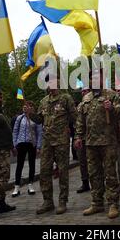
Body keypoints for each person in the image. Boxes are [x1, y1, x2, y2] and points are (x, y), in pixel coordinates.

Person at [75, 69, 120, 219]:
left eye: (98, 76)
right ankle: (97, 203)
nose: (95, 79)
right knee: (94, 174)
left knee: (110, 174)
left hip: (108, 141)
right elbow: (80, 120)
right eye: (92, 77)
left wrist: (112, 108)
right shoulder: (86, 98)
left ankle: (113, 204)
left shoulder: (112, 95)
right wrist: (78, 136)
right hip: (90, 142)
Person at [34, 76, 77, 215]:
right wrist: (30, 113)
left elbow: (74, 116)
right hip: (47, 142)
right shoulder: (43, 101)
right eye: (48, 82)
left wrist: (69, 128)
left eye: (53, 81)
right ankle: (48, 201)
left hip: (61, 141)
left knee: (63, 171)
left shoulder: (65, 98)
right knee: (44, 171)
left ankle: (62, 201)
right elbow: (39, 119)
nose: (50, 84)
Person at [12, 101, 42, 197]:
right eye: (24, 106)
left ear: (32, 108)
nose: (25, 108)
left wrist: (38, 146)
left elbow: (39, 133)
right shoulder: (19, 118)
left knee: (31, 164)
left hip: (31, 143)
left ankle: (30, 184)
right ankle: (17, 186)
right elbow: (15, 131)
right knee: (19, 164)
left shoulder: (36, 119)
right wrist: (15, 144)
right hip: (21, 143)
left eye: (27, 106)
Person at [75, 88, 91, 194]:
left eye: (85, 91)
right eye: (82, 91)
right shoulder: (80, 106)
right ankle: (85, 182)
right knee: (82, 162)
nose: (83, 93)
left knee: (94, 162)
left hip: (92, 137)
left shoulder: (91, 103)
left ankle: (99, 182)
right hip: (81, 137)